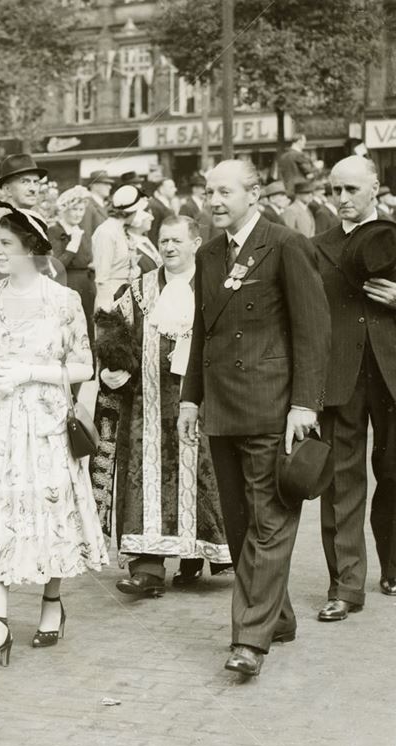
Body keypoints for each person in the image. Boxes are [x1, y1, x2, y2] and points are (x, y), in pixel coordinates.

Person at [178, 159, 330, 678]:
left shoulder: (285, 244)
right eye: (208, 192)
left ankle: (250, 640)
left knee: (269, 521)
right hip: (221, 409)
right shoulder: (207, 254)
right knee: (241, 526)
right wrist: (189, 400)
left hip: (273, 408)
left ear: (254, 193)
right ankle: (277, 617)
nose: (214, 201)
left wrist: (305, 405)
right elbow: (203, 333)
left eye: (224, 192)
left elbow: (313, 330)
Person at [0, 199, 107, 675]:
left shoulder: (62, 300)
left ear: (32, 248)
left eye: (8, 245)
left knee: (48, 516)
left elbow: (83, 365)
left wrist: (31, 372)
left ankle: (51, 601)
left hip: (45, 423)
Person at [93, 215, 231, 597]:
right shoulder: (139, 289)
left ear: (196, 243)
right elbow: (110, 329)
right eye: (163, 240)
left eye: (177, 241)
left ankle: (193, 559)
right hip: (146, 407)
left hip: (202, 404)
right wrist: (112, 366)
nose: (169, 247)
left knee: (201, 474)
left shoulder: (215, 285)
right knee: (145, 477)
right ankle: (147, 571)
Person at [312, 156, 396, 618]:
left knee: (395, 471)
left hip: (391, 375)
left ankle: (394, 564)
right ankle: (346, 586)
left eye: (351, 190)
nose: (342, 199)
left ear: (375, 188)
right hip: (339, 376)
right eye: (335, 190)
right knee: (342, 481)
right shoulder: (315, 246)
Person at [91, 184, 159, 312]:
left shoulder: (123, 231)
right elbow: (102, 279)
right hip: (111, 299)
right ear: (132, 212)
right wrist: (107, 312)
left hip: (127, 296)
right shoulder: (106, 232)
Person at [48, 186, 94, 337]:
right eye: (74, 209)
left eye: (81, 210)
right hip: (68, 284)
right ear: (64, 209)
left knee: (87, 330)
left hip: (86, 286)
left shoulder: (80, 231)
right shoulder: (54, 231)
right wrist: (73, 244)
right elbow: (56, 266)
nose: (78, 214)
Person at [147, 177, 176, 247]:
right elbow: (152, 234)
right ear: (162, 189)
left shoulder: (165, 204)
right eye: (171, 187)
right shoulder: (155, 206)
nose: (175, 189)